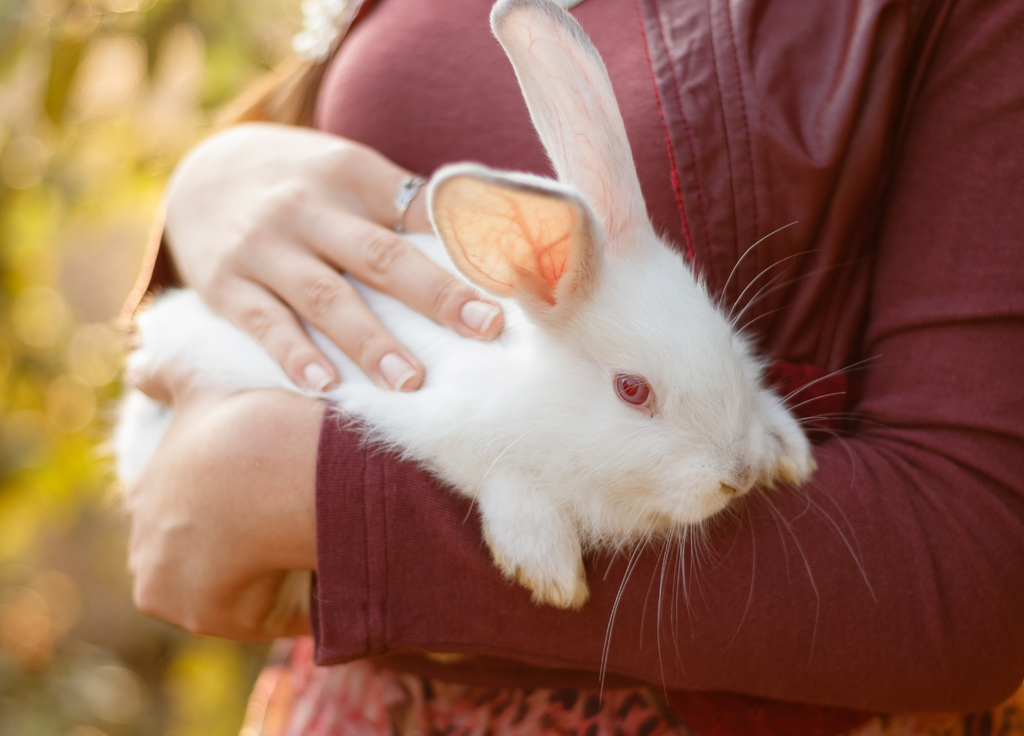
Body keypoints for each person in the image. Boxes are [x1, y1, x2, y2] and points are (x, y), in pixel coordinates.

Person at [121, 0, 1024, 733]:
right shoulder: (535, 339)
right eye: (634, 391)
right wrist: (214, 177)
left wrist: (321, 499)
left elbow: (973, 575)